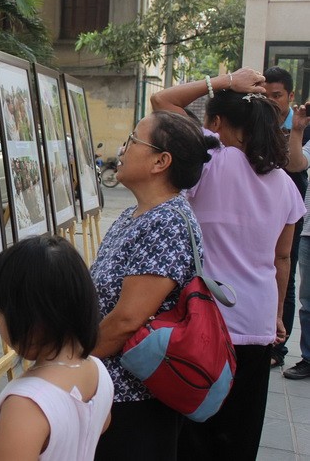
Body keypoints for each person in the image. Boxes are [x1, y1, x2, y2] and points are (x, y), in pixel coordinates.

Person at [150, 67, 305, 460]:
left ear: (217, 123)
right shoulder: (284, 183)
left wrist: (222, 82)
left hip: (204, 320)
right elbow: (281, 258)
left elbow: (162, 101)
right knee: (241, 432)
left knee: (194, 430)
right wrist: (275, 315)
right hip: (255, 320)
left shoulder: (210, 159)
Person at [91, 111, 219, 460]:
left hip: (135, 401)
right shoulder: (138, 213)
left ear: (161, 161)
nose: (123, 147)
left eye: (133, 140)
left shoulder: (167, 223)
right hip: (113, 392)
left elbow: (127, 320)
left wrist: (73, 360)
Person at [0, 235, 114, 460]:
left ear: (32, 319)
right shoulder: (96, 369)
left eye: (0, 312)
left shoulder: (26, 405)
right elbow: (101, 423)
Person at [264, 67, 310, 367]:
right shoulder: (258, 122)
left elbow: (296, 166)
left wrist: (296, 131)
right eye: (265, 96)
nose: (271, 101)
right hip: (261, 208)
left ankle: (277, 348)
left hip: (290, 209)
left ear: (290, 96)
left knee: (285, 272)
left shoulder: (302, 125)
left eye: (277, 96)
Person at [282, 102, 310, 379]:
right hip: (309, 231)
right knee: (308, 300)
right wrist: (298, 130)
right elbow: (296, 163)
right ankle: (308, 358)